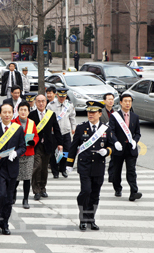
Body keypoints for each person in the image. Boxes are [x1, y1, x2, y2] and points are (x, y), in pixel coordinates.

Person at [66, 101, 114, 231]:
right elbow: (73, 146)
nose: (90, 114)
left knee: (95, 194)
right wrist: (69, 163)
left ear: (100, 113)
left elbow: (112, 146)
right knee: (86, 191)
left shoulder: (106, 129)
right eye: (89, 112)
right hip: (85, 165)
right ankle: (83, 218)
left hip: (98, 166)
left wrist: (107, 151)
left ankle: (91, 219)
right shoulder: (81, 128)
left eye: (93, 112)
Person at [0, 103, 26, 235]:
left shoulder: (18, 129)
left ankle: (5, 224)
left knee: (9, 199)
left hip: (12, 168)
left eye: (9, 112)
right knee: (1, 195)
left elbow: (22, 147)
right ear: (0, 113)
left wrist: (17, 153)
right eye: (4, 112)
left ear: (12, 113)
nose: (7, 115)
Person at [28, 95, 63, 200]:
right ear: (35, 102)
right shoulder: (32, 115)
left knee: (44, 168)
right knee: (37, 167)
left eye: (43, 101)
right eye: (38, 101)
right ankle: (36, 190)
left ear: (46, 102)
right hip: (36, 145)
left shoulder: (50, 114)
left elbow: (56, 129)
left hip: (48, 145)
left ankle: (43, 188)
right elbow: (29, 130)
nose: (41, 103)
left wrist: (60, 143)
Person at [109, 93, 142, 201]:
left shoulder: (135, 117)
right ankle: (117, 188)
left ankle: (134, 192)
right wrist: (115, 142)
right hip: (119, 148)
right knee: (116, 170)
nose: (128, 103)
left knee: (131, 171)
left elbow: (138, 133)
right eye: (126, 101)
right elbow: (111, 131)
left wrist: (135, 141)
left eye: (130, 101)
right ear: (121, 102)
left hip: (130, 149)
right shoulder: (115, 116)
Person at [12, 101, 39, 209]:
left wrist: (34, 141)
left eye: (25, 110)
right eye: (21, 110)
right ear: (18, 111)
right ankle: (13, 196)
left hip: (28, 153)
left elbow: (36, 136)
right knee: (15, 178)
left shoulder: (32, 123)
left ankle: (25, 199)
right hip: (17, 154)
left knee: (27, 178)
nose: (23, 112)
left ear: (28, 112)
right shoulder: (13, 122)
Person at [46, 88, 76, 179]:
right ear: (57, 95)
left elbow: (72, 117)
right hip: (54, 133)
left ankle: (63, 169)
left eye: (64, 96)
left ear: (66, 96)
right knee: (54, 153)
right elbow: (46, 118)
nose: (62, 98)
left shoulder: (69, 105)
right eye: (60, 96)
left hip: (66, 132)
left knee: (66, 152)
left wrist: (73, 128)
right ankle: (55, 171)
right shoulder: (51, 105)